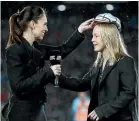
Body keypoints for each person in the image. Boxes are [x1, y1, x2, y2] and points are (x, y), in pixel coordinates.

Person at [3, 5, 94, 121]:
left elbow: (61, 51)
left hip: (37, 111)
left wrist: (80, 31)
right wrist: (48, 73)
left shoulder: (37, 50)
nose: (46, 29)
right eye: (45, 24)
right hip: (22, 114)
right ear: (32, 24)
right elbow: (19, 87)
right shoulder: (14, 50)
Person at [58, 13, 138, 121]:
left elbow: (128, 93)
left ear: (108, 37)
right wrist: (54, 77)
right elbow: (80, 84)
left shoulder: (125, 61)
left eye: (96, 36)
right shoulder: (98, 66)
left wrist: (103, 110)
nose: (92, 40)